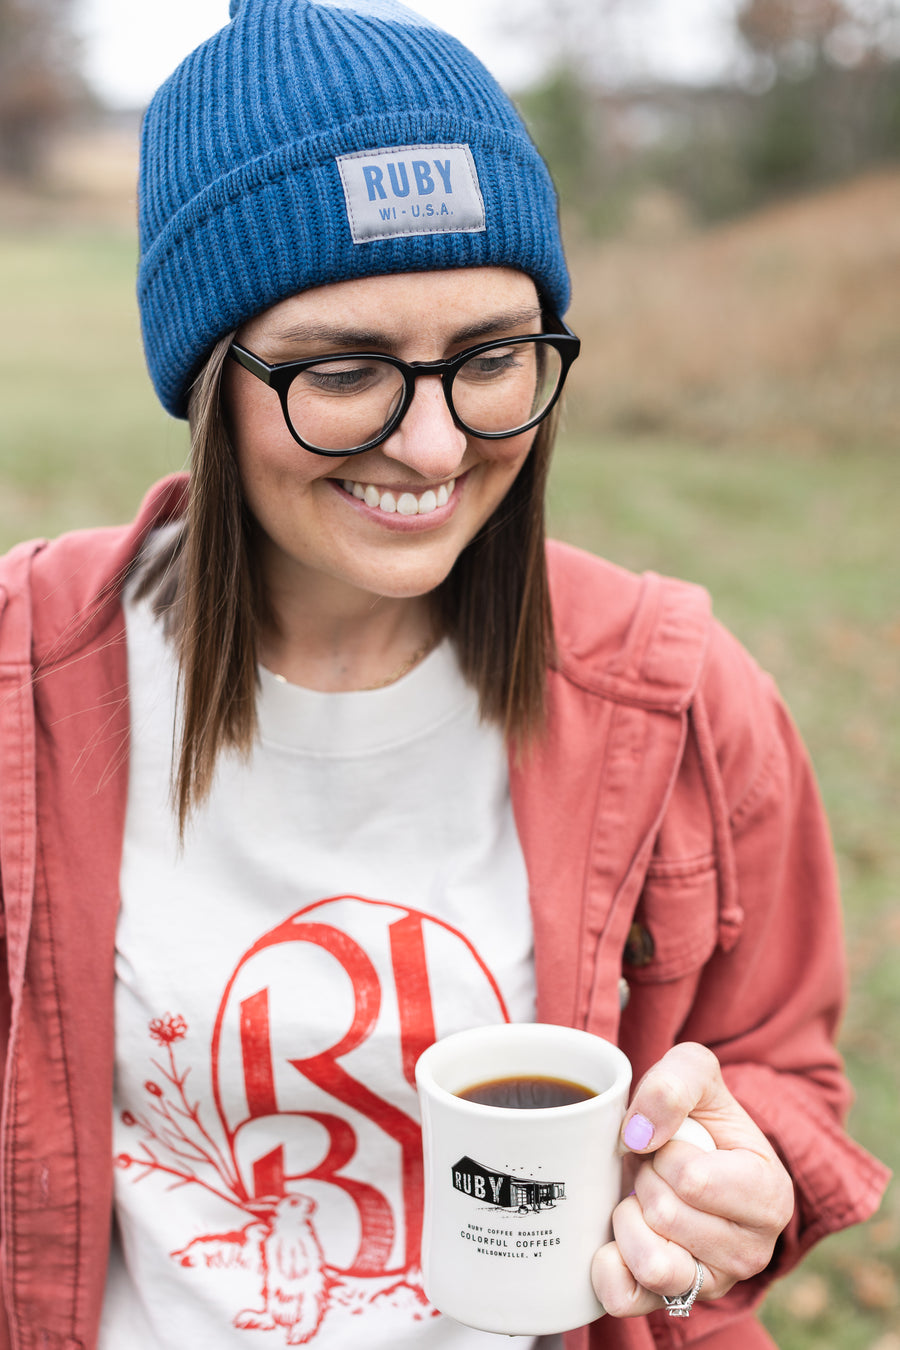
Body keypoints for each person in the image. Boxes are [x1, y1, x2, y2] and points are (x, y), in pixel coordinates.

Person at [0, 0, 889, 1347]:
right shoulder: (26, 678)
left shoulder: (682, 691)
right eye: (345, 370)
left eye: (491, 359)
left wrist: (733, 1173)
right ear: (208, 383)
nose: (430, 446)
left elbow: (776, 1064)